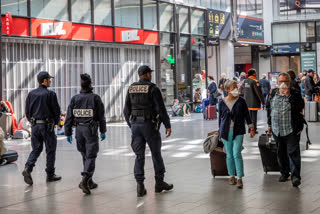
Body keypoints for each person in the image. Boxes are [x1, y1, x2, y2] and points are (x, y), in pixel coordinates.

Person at [123, 65, 173, 197]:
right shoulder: (153, 88)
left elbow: (126, 110)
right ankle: (159, 183)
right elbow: (161, 109)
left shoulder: (131, 88)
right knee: (156, 154)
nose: (151, 75)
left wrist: (132, 124)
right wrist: (167, 125)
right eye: (149, 73)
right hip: (149, 125)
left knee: (139, 156)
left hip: (135, 126)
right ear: (146, 74)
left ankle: (140, 186)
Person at [64, 74, 107, 195]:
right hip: (90, 131)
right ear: (90, 85)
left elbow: (69, 117)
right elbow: (101, 116)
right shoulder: (95, 98)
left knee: (85, 155)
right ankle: (85, 180)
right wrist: (103, 130)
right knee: (91, 156)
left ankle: (90, 182)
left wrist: (68, 132)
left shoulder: (75, 98)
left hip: (79, 130)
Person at [22, 71, 61, 185]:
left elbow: (27, 111)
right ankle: (50, 174)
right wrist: (56, 123)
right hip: (47, 126)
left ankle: (28, 168)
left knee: (36, 149)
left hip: (35, 126)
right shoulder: (51, 94)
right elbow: (56, 111)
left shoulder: (31, 94)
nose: (50, 81)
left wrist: (32, 122)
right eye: (49, 79)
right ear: (44, 80)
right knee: (50, 149)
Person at [266, 72, 305, 187]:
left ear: (289, 82)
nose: (283, 84)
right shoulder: (273, 93)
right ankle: (284, 173)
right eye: (280, 81)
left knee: (293, 153)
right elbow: (269, 109)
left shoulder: (294, 93)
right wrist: (269, 124)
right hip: (277, 129)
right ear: (277, 83)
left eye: (286, 81)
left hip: (291, 129)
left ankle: (295, 177)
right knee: (280, 153)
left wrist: (289, 96)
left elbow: (300, 106)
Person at [218, 80, 255, 189]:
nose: (236, 89)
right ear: (227, 89)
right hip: (225, 132)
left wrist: (251, 127)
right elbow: (220, 119)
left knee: (236, 154)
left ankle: (239, 177)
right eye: (233, 87)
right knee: (229, 155)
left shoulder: (241, 101)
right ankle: (231, 176)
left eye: (236, 87)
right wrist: (219, 132)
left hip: (238, 131)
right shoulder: (221, 102)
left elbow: (247, 115)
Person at [243, 68, 264, 134]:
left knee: (249, 117)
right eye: (255, 72)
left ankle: (249, 129)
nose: (256, 73)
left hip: (247, 101)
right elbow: (258, 93)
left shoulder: (246, 81)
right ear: (254, 73)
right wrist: (262, 101)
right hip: (254, 102)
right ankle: (254, 129)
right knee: (254, 117)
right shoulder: (255, 81)